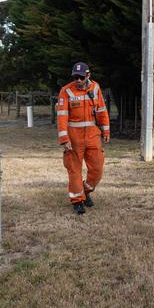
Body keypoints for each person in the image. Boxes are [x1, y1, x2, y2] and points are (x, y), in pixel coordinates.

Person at [56, 62, 110, 215]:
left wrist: (106, 131)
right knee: (74, 170)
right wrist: (64, 139)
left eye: (80, 77)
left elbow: (102, 111)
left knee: (97, 169)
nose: (77, 80)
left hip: (93, 135)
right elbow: (61, 117)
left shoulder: (96, 88)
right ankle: (77, 200)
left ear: (88, 75)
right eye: (75, 77)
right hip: (74, 137)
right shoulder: (65, 91)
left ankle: (86, 191)